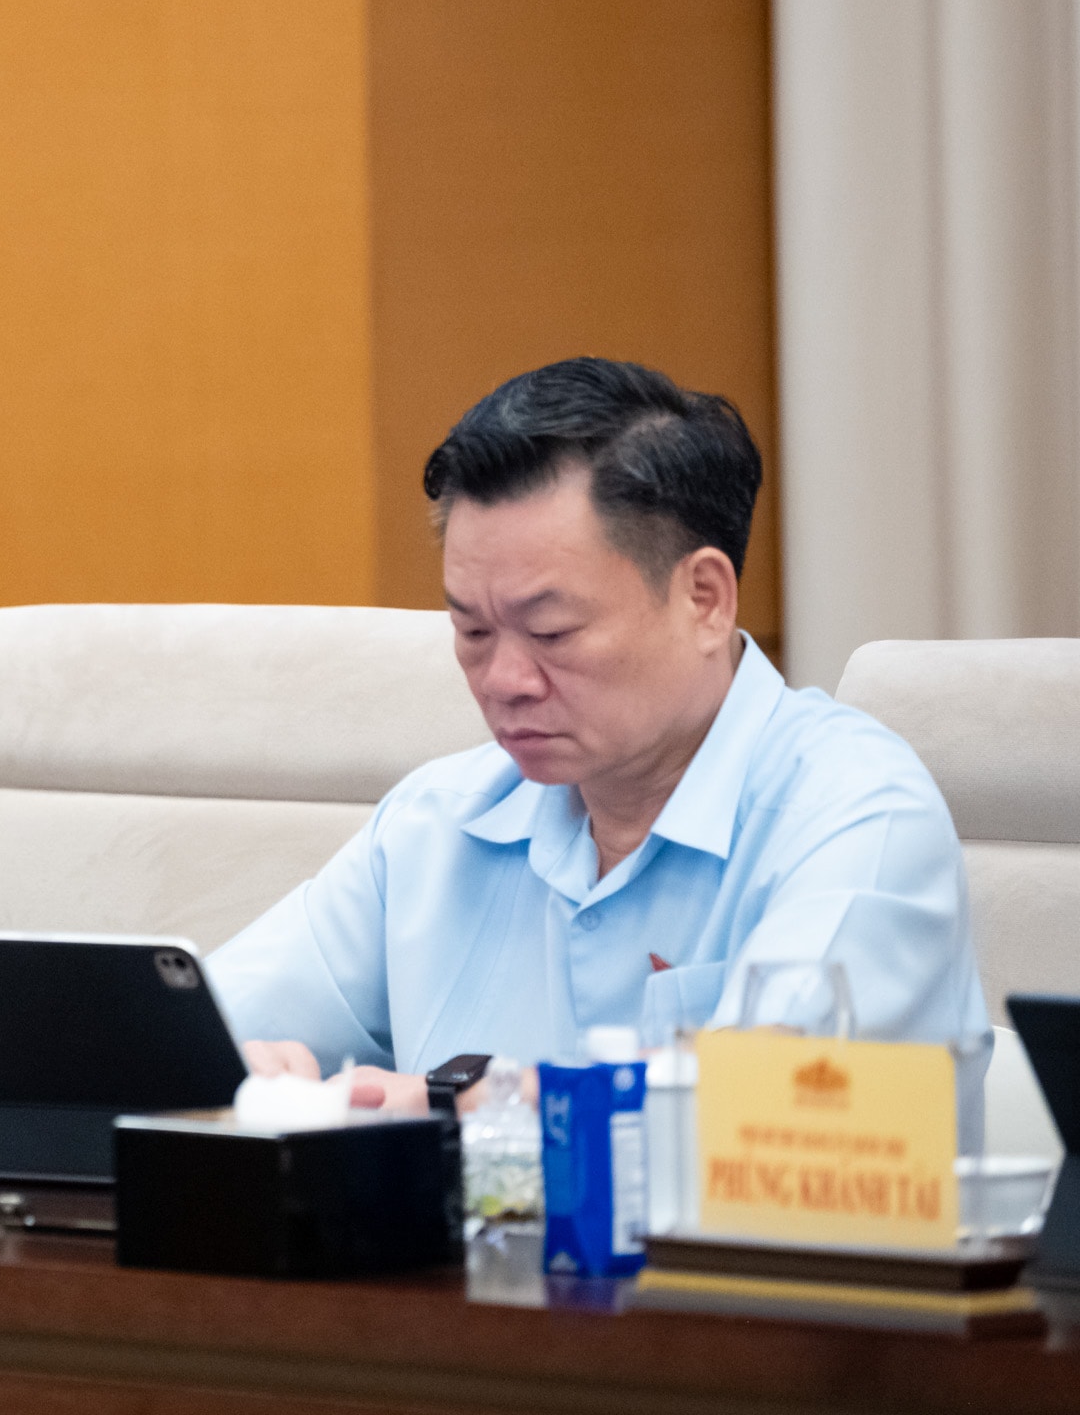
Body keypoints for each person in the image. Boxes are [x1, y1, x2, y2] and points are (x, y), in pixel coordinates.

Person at [208, 357, 986, 1112]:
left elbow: (777, 1104)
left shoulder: (858, 811)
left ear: (705, 599)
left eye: (550, 631)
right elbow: (189, 1034)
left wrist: (459, 1106)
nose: (504, 679)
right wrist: (228, 1070)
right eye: (472, 630)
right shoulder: (435, 824)